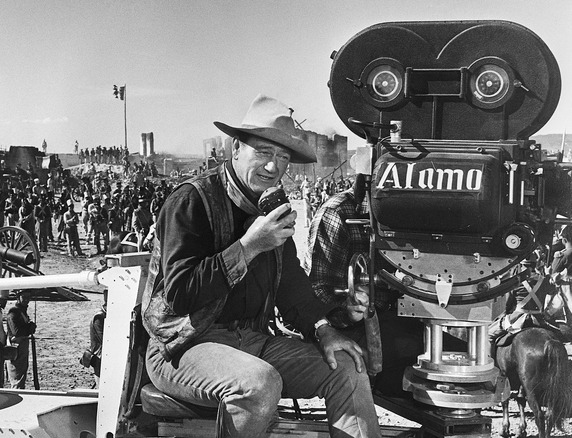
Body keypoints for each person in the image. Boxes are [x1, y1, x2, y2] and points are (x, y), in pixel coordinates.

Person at [142, 95, 378, 438]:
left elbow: (292, 286)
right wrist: (250, 246)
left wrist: (326, 329)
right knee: (258, 383)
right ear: (236, 148)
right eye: (264, 153)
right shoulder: (192, 200)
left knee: (348, 366)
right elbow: (180, 294)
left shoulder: (270, 208)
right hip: (182, 347)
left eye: (283, 157)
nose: (273, 167)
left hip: (252, 340)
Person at [304, 173, 430, 397]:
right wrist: (348, 310)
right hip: (354, 326)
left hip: (403, 319)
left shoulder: (418, 208)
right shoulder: (338, 212)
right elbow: (316, 293)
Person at [6, 290, 37, 389]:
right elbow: (17, 332)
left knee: (21, 375)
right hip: (16, 348)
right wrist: (29, 328)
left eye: (28, 297)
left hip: (22, 347)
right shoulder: (14, 313)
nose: (27, 299)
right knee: (17, 377)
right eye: (24, 297)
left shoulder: (21, 312)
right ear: (18, 297)